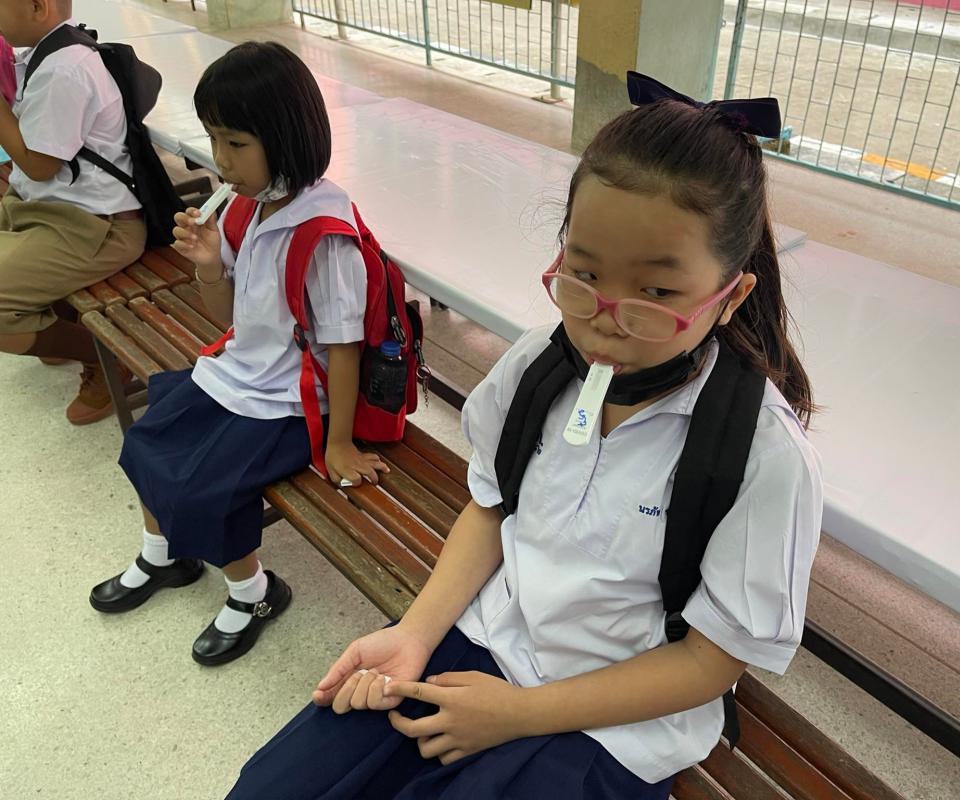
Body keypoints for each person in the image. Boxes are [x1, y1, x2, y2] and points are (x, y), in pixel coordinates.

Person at [228, 74, 824, 799]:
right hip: (485, 638)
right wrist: (414, 634)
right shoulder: (541, 363)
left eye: (657, 293)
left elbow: (711, 661)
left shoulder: (761, 454)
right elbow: (492, 508)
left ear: (732, 297)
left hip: (613, 723)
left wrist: (519, 714)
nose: (604, 320)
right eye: (584, 273)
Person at [88, 41, 387, 666]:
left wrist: (337, 442)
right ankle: (163, 556)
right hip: (241, 372)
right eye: (213, 139)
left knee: (208, 484)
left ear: (287, 136)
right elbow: (230, 318)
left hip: (290, 400)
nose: (220, 159)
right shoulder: (248, 207)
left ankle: (255, 594)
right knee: (146, 441)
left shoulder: (325, 235)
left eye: (235, 142)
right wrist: (207, 265)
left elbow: (344, 350)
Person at [0, 0, 146, 424]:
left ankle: (106, 357)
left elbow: (39, 165)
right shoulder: (51, 52)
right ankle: (53, 324)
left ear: (38, 7)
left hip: (97, 228)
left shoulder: (65, 68)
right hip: (54, 211)